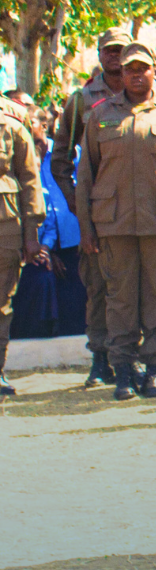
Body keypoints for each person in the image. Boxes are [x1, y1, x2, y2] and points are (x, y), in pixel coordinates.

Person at [78, 42, 156, 399]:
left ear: (155, 71)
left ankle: (154, 369)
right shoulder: (101, 115)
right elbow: (85, 176)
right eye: (129, 69)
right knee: (119, 298)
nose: (136, 74)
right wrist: (87, 228)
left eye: (143, 68)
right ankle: (123, 369)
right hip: (113, 223)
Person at [50, 29, 130, 386]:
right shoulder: (82, 100)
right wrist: (75, 203)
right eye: (109, 50)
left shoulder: (146, 93)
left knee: (136, 286)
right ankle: (100, 359)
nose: (115, 56)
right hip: (97, 212)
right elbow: (61, 158)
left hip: (140, 210)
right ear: (99, 54)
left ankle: (133, 357)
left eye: (121, 50)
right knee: (98, 286)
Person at [0, 96, 47, 395]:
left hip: (4, 226)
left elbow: (29, 178)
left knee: (1, 304)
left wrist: (31, 235)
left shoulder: (12, 119)